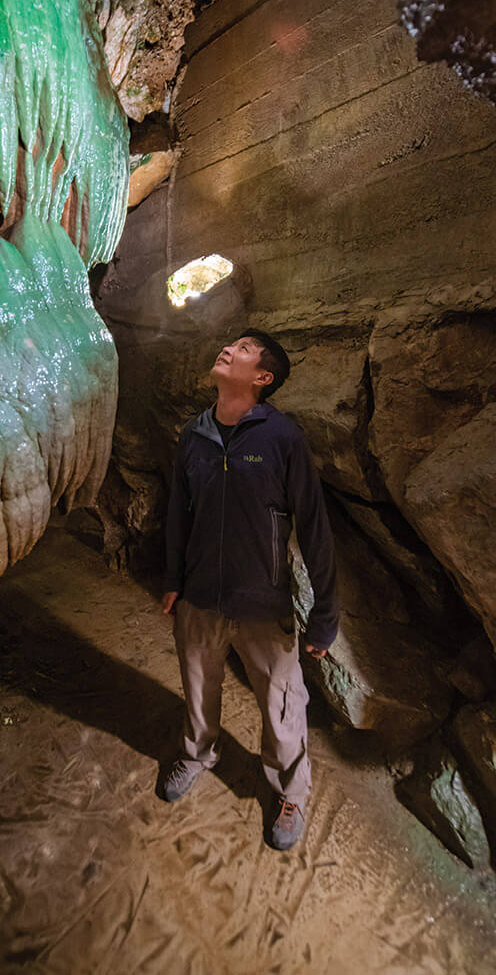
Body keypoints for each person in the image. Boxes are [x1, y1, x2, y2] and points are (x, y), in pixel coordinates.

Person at [159, 328, 339, 850]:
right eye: (230, 344)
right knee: (198, 689)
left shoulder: (281, 437)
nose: (228, 349)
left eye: (242, 348)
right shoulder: (194, 436)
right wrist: (173, 579)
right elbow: (178, 514)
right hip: (200, 599)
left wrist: (325, 614)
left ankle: (289, 791)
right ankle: (197, 755)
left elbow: (315, 526)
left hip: (262, 602)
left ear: (262, 377)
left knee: (283, 704)